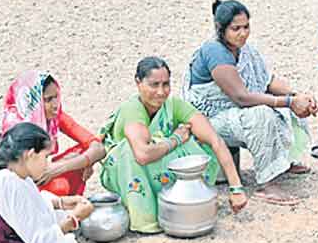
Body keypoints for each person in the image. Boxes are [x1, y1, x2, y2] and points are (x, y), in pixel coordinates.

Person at [185, 0, 317, 205]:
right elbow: (241, 97)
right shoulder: (215, 51)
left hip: (234, 112)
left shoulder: (246, 51)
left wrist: (298, 96)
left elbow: (268, 81)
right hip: (210, 119)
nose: (243, 33)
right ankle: (267, 184)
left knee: (283, 108)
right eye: (235, 29)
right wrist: (289, 101)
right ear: (221, 29)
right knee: (262, 114)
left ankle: (283, 163)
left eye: (246, 27)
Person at [99, 57, 247, 233]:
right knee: (129, 150)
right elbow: (142, 155)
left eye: (166, 84)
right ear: (138, 83)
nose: (161, 92)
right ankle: (145, 214)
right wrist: (175, 139)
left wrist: (236, 188)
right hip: (129, 170)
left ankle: (188, 200)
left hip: (158, 164)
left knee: (201, 143)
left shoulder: (173, 105)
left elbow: (216, 141)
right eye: (154, 85)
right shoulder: (132, 109)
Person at [0, 70, 107, 196]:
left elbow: (98, 147)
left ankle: (69, 201)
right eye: (48, 99)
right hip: (19, 187)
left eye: (56, 97)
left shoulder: (55, 116)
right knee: (60, 186)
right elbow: (24, 174)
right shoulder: (16, 127)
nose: (55, 105)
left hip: (41, 172)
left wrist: (64, 165)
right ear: (33, 101)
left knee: (81, 153)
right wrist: (75, 162)